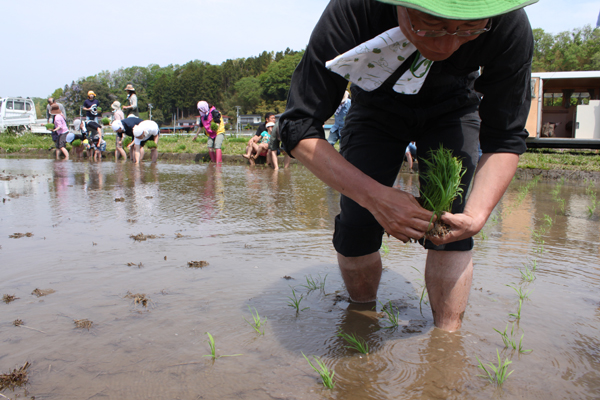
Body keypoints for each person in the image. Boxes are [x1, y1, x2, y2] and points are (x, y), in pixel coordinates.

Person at [279, 0, 536, 332]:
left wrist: (477, 217)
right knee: (358, 221)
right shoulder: (356, 8)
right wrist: (374, 197)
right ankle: (361, 318)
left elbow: (505, 137)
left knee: (452, 223)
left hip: (455, 106)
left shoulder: (507, 22)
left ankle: (446, 342)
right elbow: (298, 126)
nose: (445, 45)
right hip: (375, 108)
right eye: (430, 26)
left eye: (468, 30)